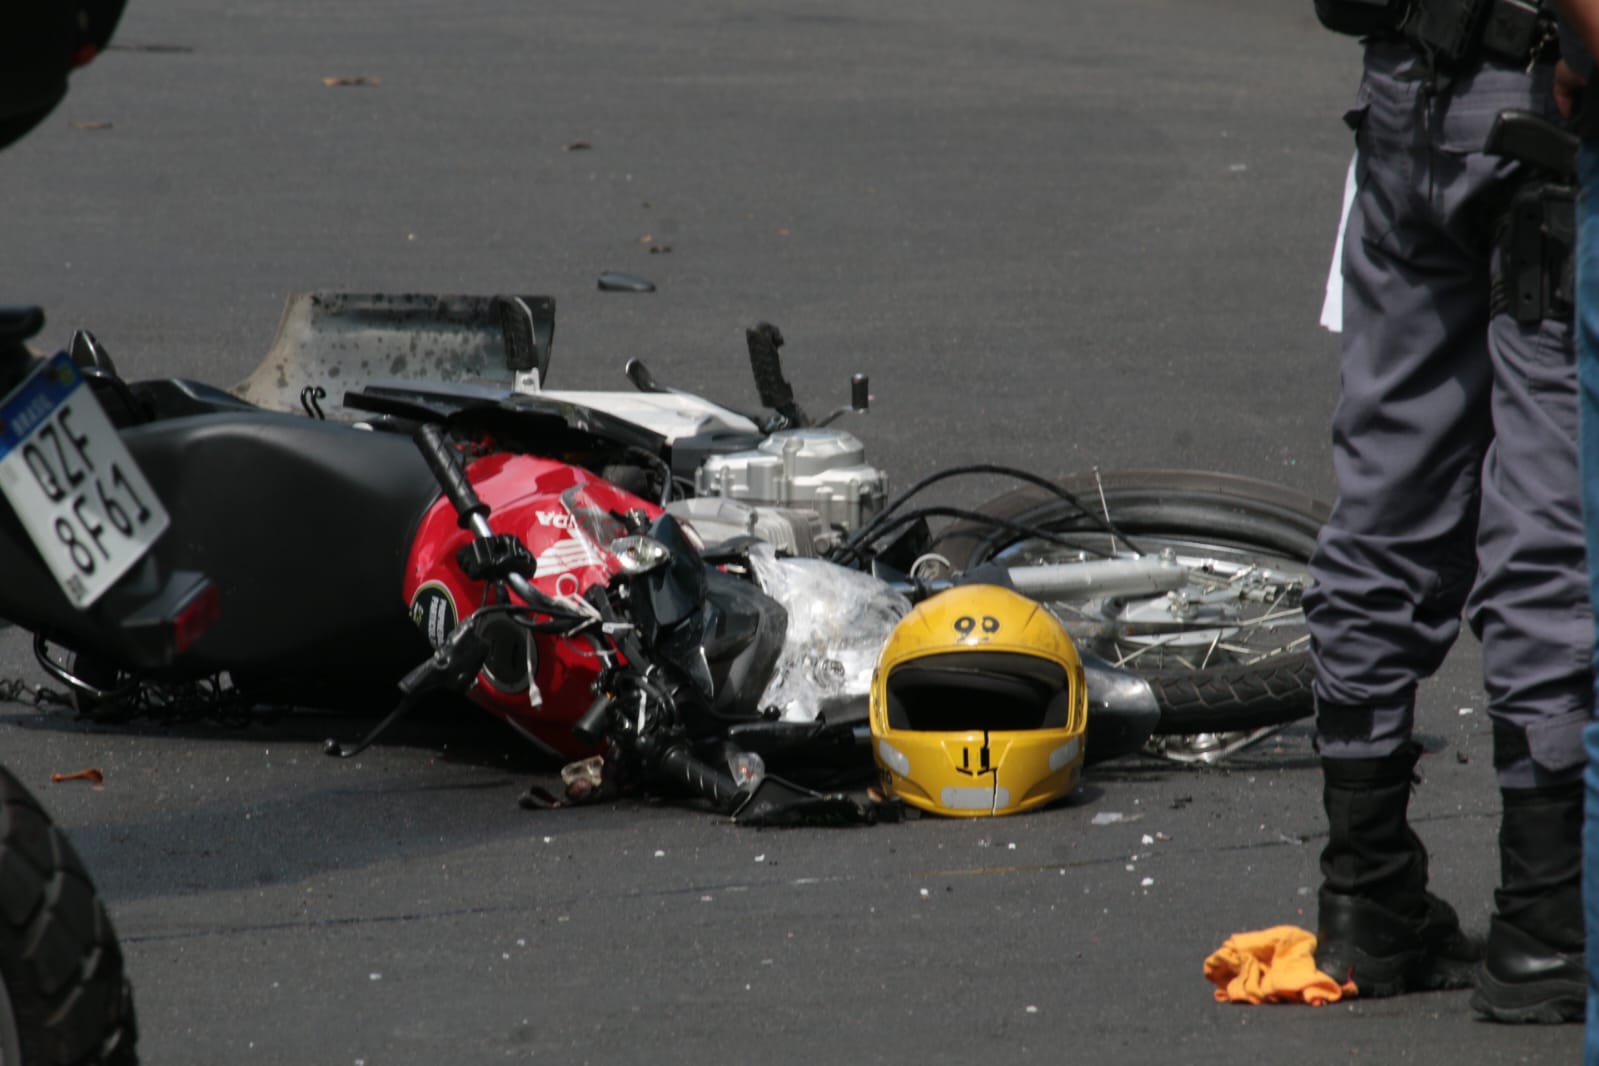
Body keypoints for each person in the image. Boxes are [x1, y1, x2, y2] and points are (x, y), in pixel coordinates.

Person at [1306, 0, 1589, 1023]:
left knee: (1387, 488)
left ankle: (1366, 894)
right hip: (1540, 100)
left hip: (1408, 93)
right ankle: (1547, 920)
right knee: (1552, 512)